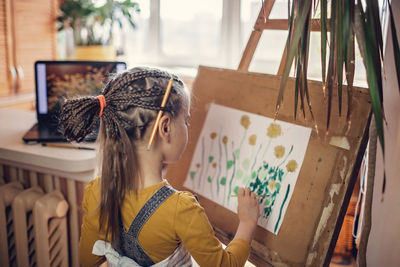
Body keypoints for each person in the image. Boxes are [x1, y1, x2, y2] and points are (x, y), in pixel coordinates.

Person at [61, 67, 260, 267]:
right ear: (165, 128)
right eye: (186, 121)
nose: (188, 126)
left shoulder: (97, 192)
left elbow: (88, 262)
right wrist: (247, 222)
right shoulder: (182, 210)